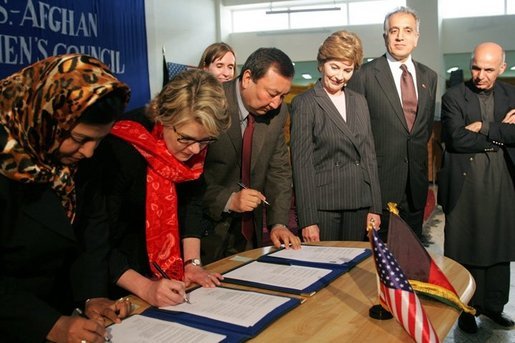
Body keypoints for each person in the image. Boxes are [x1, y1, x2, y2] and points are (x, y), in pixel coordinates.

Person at [0, 54, 131, 343]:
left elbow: (90, 230)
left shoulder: (80, 158)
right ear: (47, 118)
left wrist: (91, 295)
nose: (89, 152)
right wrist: (48, 324)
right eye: (81, 138)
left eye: (99, 140)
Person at [91, 69, 230, 306]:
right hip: (117, 280)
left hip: (167, 277)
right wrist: (144, 287)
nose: (196, 151)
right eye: (186, 139)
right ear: (163, 116)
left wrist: (192, 264)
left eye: (205, 141)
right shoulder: (120, 148)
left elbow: (192, 201)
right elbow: (96, 235)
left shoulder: (193, 142)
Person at [192, 47, 302, 264]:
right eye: (271, 94)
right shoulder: (208, 101)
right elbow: (186, 175)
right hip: (203, 231)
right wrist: (228, 199)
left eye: (282, 96)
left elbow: (279, 169)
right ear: (248, 78)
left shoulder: (277, 113)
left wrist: (278, 223)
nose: (276, 103)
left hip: (248, 234)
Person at [438, 42, 515, 333]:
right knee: (465, 247)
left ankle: (494, 307)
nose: (480, 75)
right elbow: (457, 139)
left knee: (499, 244)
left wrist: (483, 126)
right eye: (476, 68)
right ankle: (467, 310)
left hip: (503, 180)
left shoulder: (512, 94)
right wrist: (502, 133)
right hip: (466, 182)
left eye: (489, 69)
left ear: (502, 68)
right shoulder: (454, 97)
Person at [347, 6, 437, 244]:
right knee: (379, 265)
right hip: (379, 188)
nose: (400, 36)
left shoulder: (429, 77)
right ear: (385, 36)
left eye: (407, 30)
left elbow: (423, 129)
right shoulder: (364, 75)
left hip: (415, 188)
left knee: (412, 261)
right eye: (393, 30)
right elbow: (356, 136)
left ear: (416, 37)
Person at [290, 30, 382, 242]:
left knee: (355, 268)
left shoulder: (359, 101)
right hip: (324, 206)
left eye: (347, 70)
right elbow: (301, 165)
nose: (339, 76)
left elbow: (369, 155)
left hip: (359, 201)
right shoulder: (305, 103)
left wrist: (375, 206)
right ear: (321, 64)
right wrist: (307, 219)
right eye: (334, 67)